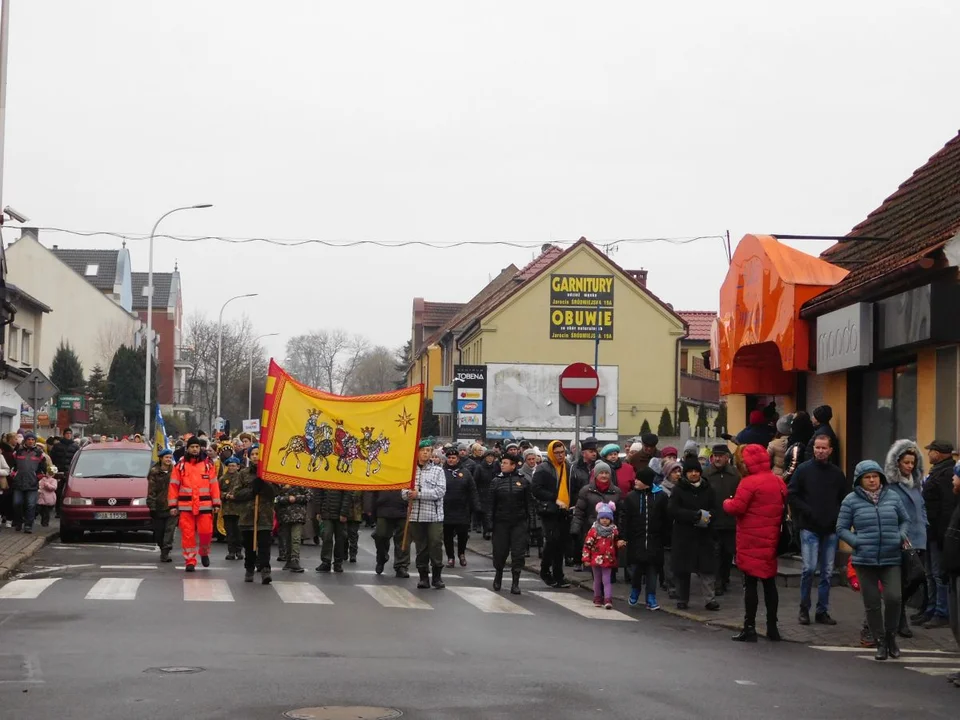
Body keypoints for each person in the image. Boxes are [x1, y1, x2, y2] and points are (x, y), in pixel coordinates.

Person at [836, 460, 910, 661]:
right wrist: (857, 541)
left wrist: (900, 536)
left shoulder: (893, 497)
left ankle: (891, 637)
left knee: (894, 598)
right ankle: (880, 642)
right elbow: (841, 528)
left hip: (891, 557)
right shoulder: (850, 501)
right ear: (859, 480)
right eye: (867, 477)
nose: (871, 480)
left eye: (875, 476)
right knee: (872, 604)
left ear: (881, 478)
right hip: (864, 560)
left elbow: (905, 520)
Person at [723, 444, 787, 642]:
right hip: (771, 539)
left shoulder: (748, 483)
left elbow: (737, 508)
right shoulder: (778, 482)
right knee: (769, 584)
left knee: (750, 584)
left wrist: (727, 502)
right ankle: (772, 627)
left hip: (750, 540)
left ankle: (749, 627)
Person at [788, 434, 847, 625]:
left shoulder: (837, 474)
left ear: (830, 450)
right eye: (817, 447)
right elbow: (792, 494)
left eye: (824, 448)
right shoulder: (803, 470)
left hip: (830, 529)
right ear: (813, 449)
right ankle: (804, 609)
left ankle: (822, 611)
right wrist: (807, 511)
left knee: (827, 572)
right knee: (809, 568)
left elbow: (844, 499)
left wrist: (837, 516)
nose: (820, 451)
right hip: (809, 528)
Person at [883, 440, 927, 639]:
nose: (910, 466)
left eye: (913, 463)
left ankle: (897, 613)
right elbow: (889, 512)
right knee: (906, 578)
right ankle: (899, 619)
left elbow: (922, 507)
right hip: (902, 539)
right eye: (906, 462)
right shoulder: (891, 486)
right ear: (897, 463)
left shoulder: (916, 484)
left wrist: (925, 524)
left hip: (920, 538)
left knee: (917, 577)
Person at [669, 457, 719, 611]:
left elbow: (716, 508)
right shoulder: (678, 489)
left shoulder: (708, 489)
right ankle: (682, 598)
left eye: (696, 471)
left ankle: (710, 599)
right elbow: (673, 510)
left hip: (704, 535)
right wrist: (693, 515)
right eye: (690, 471)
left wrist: (708, 516)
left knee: (707, 569)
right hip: (684, 535)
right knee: (683, 570)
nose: (693, 474)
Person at [920, 440, 958, 629]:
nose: (929, 454)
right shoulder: (937, 471)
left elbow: (946, 507)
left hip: (937, 533)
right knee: (930, 573)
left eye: (932, 451)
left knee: (937, 574)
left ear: (941, 453)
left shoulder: (946, 473)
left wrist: (942, 535)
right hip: (930, 531)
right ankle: (931, 609)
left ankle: (941, 612)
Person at [168, 435, 221, 571]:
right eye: (192, 447)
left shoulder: (208, 465)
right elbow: (173, 486)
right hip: (186, 506)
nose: (195, 449)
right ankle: (190, 561)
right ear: (188, 448)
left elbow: (214, 485)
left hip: (205, 505)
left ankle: (204, 552)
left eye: (197, 447)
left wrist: (216, 504)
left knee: (206, 532)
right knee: (188, 535)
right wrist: (173, 506)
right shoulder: (180, 466)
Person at [488, 452, 536, 594]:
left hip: (519, 522)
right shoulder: (496, 481)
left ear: (514, 465)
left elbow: (530, 504)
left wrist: (532, 523)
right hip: (501, 523)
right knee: (500, 552)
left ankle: (515, 582)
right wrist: (489, 523)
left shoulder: (523, 481)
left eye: (506, 463)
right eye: (502, 463)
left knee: (518, 553)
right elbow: (490, 505)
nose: (502, 465)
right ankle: (498, 575)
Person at [403, 438, 447, 590]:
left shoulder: (438, 470)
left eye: (428, 451)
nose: (426, 454)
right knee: (421, 547)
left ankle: (437, 576)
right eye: (423, 451)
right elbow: (403, 492)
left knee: (435, 543)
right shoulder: (410, 471)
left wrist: (419, 494)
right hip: (415, 515)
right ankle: (423, 576)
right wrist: (408, 494)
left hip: (433, 516)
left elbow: (440, 491)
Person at [229, 446, 275, 583]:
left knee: (264, 545)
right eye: (253, 454)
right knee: (249, 545)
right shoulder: (243, 473)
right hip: (247, 516)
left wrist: (264, 486)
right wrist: (252, 491)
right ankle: (249, 568)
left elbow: (276, 492)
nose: (255, 456)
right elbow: (236, 493)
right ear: (249, 456)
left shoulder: (269, 473)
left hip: (264, 515)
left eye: (258, 454)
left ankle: (265, 570)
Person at [621, 466, 664, 610]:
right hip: (636, 541)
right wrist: (623, 537)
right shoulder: (631, 497)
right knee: (636, 570)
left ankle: (651, 597)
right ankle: (635, 590)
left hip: (654, 541)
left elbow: (666, 519)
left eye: (638, 479)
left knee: (653, 571)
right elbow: (625, 519)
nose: (635, 481)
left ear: (646, 481)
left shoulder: (661, 497)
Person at [531, 440, 573, 589]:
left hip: (565, 510)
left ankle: (558, 575)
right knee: (552, 540)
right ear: (551, 453)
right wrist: (554, 498)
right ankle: (545, 570)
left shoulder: (568, 466)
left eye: (562, 452)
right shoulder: (544, 468)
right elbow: (536, 489)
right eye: (557, 453)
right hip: (550, 510)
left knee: (561, 543)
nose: (560, 455)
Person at [571, 460, 621, 578]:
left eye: (606, 473)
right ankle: (598, 591)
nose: (604, 475)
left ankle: (607, 592)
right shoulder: (586, 490)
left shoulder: (616, 491)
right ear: (595, 474)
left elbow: (620, 513)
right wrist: (575, 528)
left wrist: (621, 532)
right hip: (593, 532)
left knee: (609, 567)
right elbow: (579, 511)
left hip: (611, 534)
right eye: (601, 473)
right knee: (596, 568)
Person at [703, 443, 740, 596]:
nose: (717, 459)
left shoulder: (735, 475)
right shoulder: (706, 474)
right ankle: (716, 582)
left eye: (720, 456)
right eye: (715, 456)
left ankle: (724, 579)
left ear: (727, 458)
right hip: (713, 520)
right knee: (714, 554)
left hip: (730, 521)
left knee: (727, 553)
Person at [442, 445, 480, 568]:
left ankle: (461, 553)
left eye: (453, 458)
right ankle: (450, 557)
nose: (451, 460)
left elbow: (472, 490)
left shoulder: (465, 472)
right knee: (447, 535)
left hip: (462, 509)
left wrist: (476, 506)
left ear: (458, 459)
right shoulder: (441, 472)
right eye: (449, 458)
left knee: (463, 534)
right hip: (446, 509)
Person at [582, 501, 625, 608]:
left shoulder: (614, 531)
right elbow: (587, 545)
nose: (604, 520)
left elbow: (616, 542)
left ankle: (608, 599)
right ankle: (597, 598)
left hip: (608, 558)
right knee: (597, 580)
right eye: (602, 518)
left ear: (610, 519)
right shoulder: (593, 531)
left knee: (607, 580)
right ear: (598, 518)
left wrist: (620, 544)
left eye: (607, 518)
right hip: (595, 559)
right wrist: (586, 558)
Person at [10, 432, 48, 533]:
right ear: (25, 441)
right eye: (29, 439)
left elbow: (43, 469)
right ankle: (18, 522)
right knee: (16, 503)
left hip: (32, 484)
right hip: (19, 483)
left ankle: (28, 525)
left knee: (31, 505)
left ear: (35, 441)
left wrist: (38, 477)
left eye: (32, 440)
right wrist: (13, 474)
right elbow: (13, 466)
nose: (31, 441)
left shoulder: (39, 453)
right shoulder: (17, 452)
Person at [371, 488, 411, 578]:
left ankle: (401, 566)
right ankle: (381, 558)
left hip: (403, 509)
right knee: (380, 535)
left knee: (403, 540)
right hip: (383, 508)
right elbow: (373, 492)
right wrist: (372, 511)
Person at [146, 449, 176, 562]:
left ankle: (166, 552)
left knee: (170, 530)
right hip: (158, 507)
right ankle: (161, 546)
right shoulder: (154, 472)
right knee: (159, 532)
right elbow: (151, 491)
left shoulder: (175, 471)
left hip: (172, 506)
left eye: (170, 457)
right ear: (161, 458)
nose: (168, 460)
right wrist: (152, 507)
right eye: (166, 457)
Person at [312, 486, 351, 573]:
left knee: (340, 539)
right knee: (326, 536)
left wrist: (344, 512)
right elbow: (318, 493)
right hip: (326, 512)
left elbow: (347, 495)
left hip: (340, 513)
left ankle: (338, 563)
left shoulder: (344, 475)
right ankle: (326, 562)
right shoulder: (324, 476)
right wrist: (318, 511)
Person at [274, 482, 309, 573]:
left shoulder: (302, 483)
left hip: (298, 515)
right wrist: (287, 499)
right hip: (285, 515)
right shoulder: (281, 483)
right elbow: (276, 498)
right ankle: (288, 560)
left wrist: (296, 498)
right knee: (287, 539)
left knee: (296, 538)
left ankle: (295, 560)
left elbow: (309, 496)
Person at [218, 455, 245, 561]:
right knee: (229, 532)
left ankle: (239, 551)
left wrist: (237, 496)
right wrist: (225, 495)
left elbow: (245, 491)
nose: (232, 468)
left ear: (238, 467)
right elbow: (217, 491)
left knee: (239, 532)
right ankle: (231, 551)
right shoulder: (223, 478)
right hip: (227, 510)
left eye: (234, 466)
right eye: (230, 466)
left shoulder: (241, 478)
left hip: (239, 509)